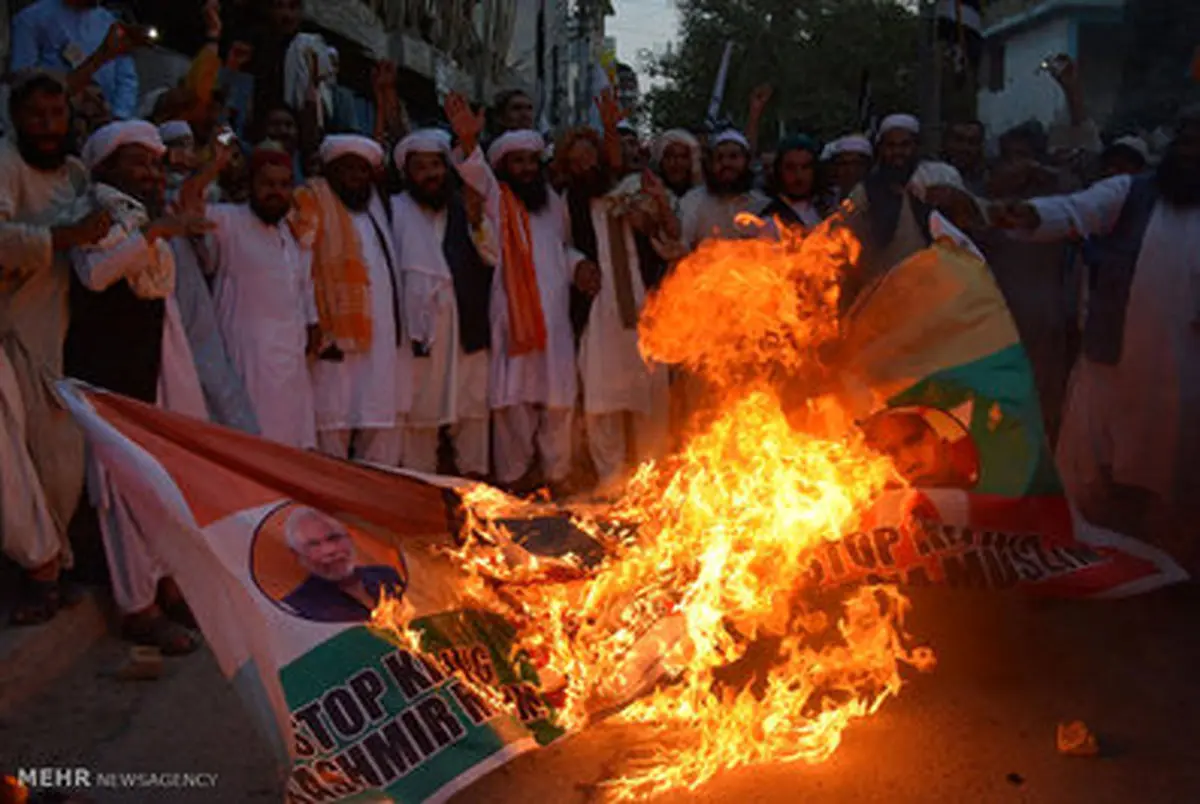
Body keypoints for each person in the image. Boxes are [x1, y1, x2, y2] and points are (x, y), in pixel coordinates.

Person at [991, 106, 1200, 573]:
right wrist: (1022, 213)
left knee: (1176, 486)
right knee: (1079, 473)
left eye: (1198, 144)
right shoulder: (1130, 193)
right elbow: (1071, 210)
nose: (1191, 151)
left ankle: (1165, 579)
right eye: (1184, 141)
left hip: (1184, 379)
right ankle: (1068, 565)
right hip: (1109, 366)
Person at [66, 119, 214, 654]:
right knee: (124, 490)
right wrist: (153, 234)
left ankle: (170, 588)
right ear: (107, 168)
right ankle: (138, 606)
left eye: (154, 163)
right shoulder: (98, 214)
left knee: (168, 483)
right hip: (118, 371)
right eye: (138, 162)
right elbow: (96, 273)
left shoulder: (142, 217)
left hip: (160, 365)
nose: (150, 172)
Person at [0, 71, 110, 625]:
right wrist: (66, 237)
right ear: (17, 120)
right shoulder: (6, 164)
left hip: (64, 330)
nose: (47, 127)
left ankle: (56, 567)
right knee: (24, 461)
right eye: (36, 116)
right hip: (15, 332)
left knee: (63, 462)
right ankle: (34, 574)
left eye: (56, 115)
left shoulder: (73, 172)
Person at [456, 129, 601, 494]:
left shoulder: (552, 202)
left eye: (531, 161)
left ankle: (557, 478)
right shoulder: (498, 201)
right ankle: (512, 482)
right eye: (517, 162)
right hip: (512, 322)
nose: (525, 169)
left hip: (554, 322)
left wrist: (579, 265)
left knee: (558, 404)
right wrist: (471, 141)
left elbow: (560, 250)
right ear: (504, 167)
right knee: (513, 408)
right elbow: (477, 174)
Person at [557, 126, 671, 492]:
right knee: (602, 398)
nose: (583, 165)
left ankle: (649, 485)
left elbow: (671, 239)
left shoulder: (636, 189)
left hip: (647, 308)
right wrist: (576, 264)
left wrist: (653, 214)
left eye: (589, 156)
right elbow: (559, 246)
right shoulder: (568, 201)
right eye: (575, 162)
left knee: (650, 397)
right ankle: (611, 481)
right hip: (599, 309)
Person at [392, 109, 497, 478]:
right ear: (407, 173)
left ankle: (478, 508)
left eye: (436, 166)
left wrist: (475, 222)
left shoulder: (463, 205)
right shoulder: (394, 210)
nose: (430, 175)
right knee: (418, 423)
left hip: (466, 330)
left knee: (471, 416)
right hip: (418, 335)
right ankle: (419, 503)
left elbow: (491, 253)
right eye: (420, 168)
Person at [298, 134, 411, 464]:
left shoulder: (376, 210)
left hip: (382, 342)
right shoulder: (312, 203)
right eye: (346, 169)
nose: (354, 177)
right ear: (329, 172)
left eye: (361, 171)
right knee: (332, 422)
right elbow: (302, 267)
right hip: (332, 338)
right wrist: (311, 318)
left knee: (378, 421)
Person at [200, 141, 318, 449]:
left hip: (290, 367)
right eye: (267, 183)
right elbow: (187, 208)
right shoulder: (227, 220)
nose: (275, 192)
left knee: (292, 450)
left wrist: (312, 324)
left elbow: (304, 288)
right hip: (245, 362)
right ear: (250, 184)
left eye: (283, 185)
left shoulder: (290, 233)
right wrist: (212, 168)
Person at [842, 114, 932, 311]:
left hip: (931, 297)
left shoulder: (938, 179)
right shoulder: (865, 193)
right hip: (881, 301)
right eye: (890, 146)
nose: (897, 152)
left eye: (904, 145)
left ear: (916, 147)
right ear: (881, 150)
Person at [9, 0, 143, 120]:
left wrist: (119, 116)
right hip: (54, 120)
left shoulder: (109, 21)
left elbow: (126, 78)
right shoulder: (31, 19)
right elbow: (23, 80)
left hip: (105, 119)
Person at [280, 506, 405, 623]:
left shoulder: (387, 576)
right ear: (297, 555)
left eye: (334, 538)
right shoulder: (297, 608)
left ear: (349, 537)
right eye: (314, 545)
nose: (330, 550)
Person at [679, 129, 768, 250]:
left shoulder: (762, 205)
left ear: (746, 162)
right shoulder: (692, 202)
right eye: (719, 158)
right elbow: (681, 246)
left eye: (733, 157)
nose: (726, 163)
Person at [761, 134, 828, 231]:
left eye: (805, 167)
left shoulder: (827, 209)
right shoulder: (768, 220)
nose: (798, 175)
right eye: (790, 168)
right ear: (779, 170)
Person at [652, 128, 701, 213]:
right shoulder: (649, 196)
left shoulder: (703, 199)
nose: (675, 164)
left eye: (682, 157)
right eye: (668, 157)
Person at [828, 134, 873, 202]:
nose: (849, 170)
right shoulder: (828, 200)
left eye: (855, 163)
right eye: (843, 164)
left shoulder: (879, 198)